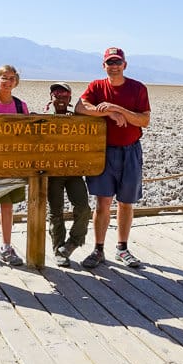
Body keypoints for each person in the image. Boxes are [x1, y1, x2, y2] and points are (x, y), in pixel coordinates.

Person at [75, 47, 151, 268]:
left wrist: (118, 108)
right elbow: (81, 107)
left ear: (125, 65)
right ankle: (98, 249)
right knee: (102, 202)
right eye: (110, 62)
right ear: (104, 66)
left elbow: (143, 120)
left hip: (130, 150)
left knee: (126, 202)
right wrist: (108, 112)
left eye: (118, 62)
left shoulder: (138, 88)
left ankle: (122, 248)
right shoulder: (97, 86)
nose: (114, 66)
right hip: (104, 151)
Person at [0, 65, 28, 268]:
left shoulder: (21, 107)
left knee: (8, 206)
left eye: (11, 78)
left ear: (15, 82)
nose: (7, 81)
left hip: (14, 162)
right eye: (3, 77)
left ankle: (6, 247)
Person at [45, 82, 91, 266]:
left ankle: (73, 242)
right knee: (56, 212)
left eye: (65, 94)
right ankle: (58, 250)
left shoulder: (77, 119)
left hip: (73, 171)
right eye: (57, 94)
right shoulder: (42, 118)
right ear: (51, 97)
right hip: (52, 173)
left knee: (83, 207)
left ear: (70, 98)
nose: (61, 98)